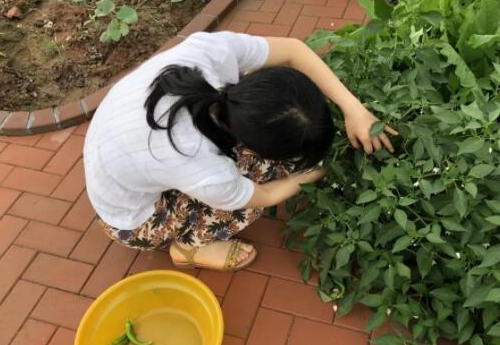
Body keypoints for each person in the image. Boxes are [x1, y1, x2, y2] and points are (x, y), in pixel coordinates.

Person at [83, 31, 397, 271]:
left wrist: (354, 109)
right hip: (130, 218)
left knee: (237, 172)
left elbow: (293, 50)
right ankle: (190, 248)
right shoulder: (204, 167)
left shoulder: (211, 53)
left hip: (118, 155)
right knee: (257, 185)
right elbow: (266, 195)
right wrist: (315, 173)